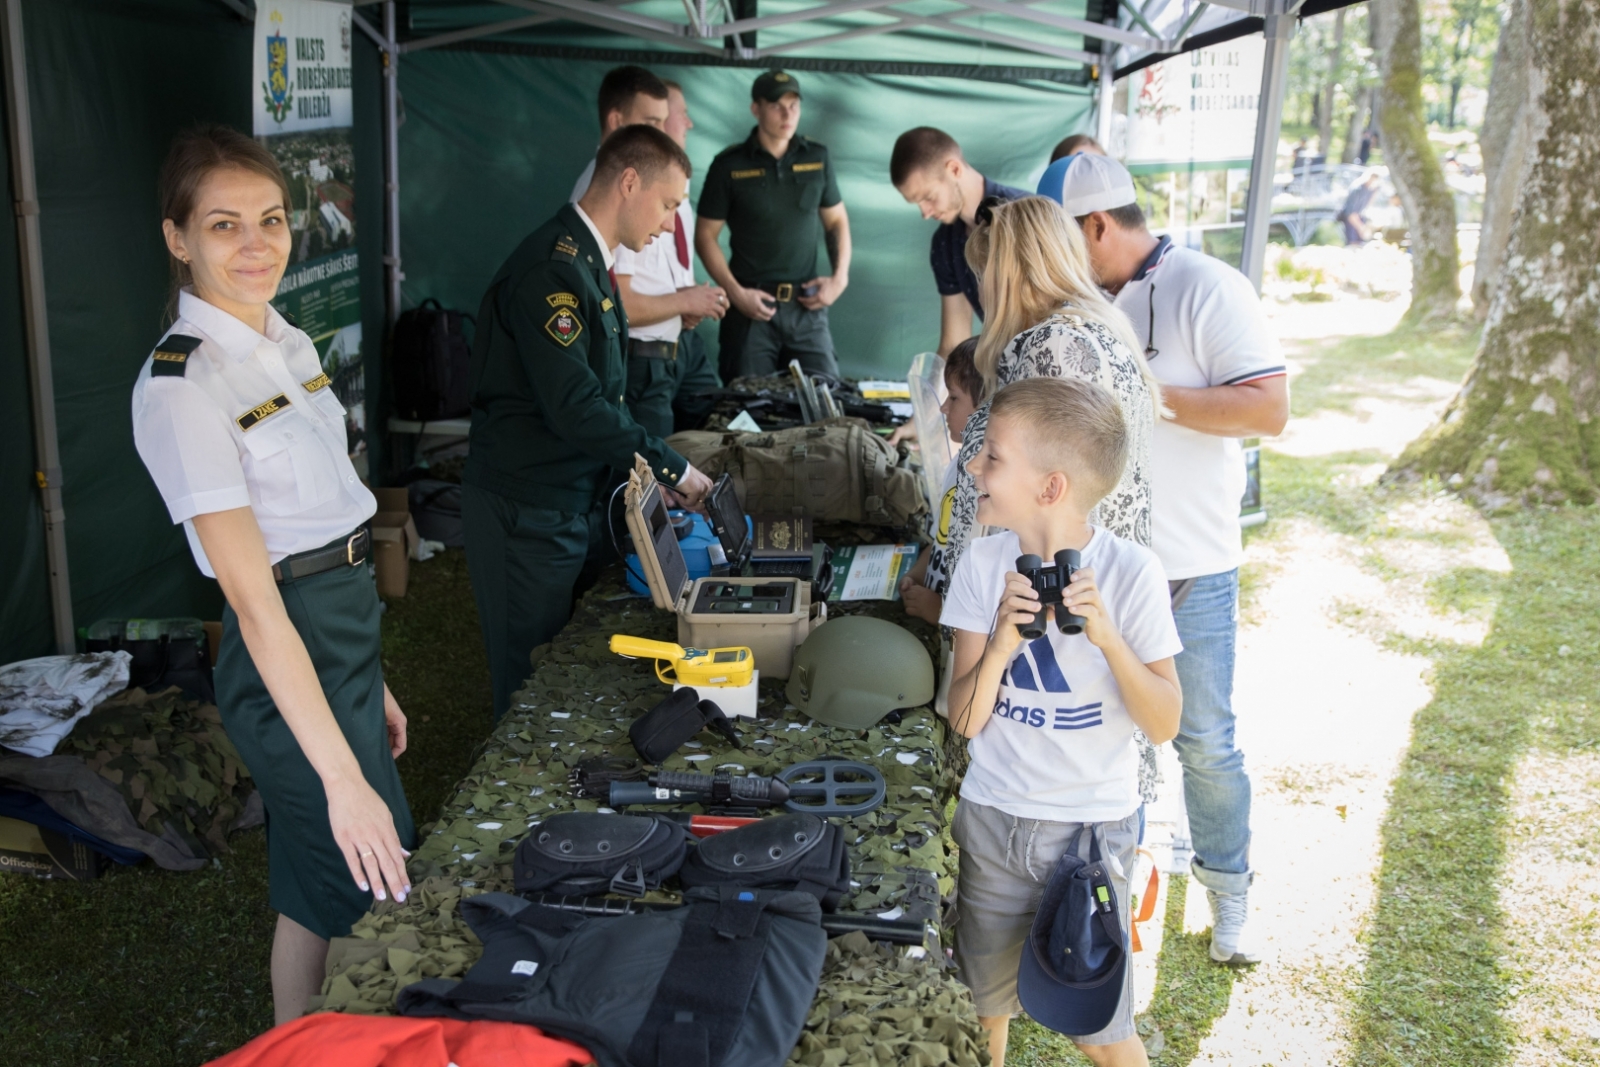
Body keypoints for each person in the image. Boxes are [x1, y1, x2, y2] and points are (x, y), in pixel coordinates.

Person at [131, 125, 415, 1023]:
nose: (256, 244)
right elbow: (257, 602)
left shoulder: (285, 338)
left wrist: (371, 677)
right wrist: (342, 777)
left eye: (271, 219)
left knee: (309, 888)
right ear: (178, 239)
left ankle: (291, 1047)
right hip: (285, 649)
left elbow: (326, 518)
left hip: (339, 637)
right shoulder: (183, 384)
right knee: (377, 887)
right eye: (223, 225)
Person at [1040, 150, 1289, 964]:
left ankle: (1231, 897)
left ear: (1099, 225)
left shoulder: (1209, 289)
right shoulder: (1079, 305)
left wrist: (1152, 399)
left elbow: (1270, 408)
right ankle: (1117, 899)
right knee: (1119, 740)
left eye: (1062, 236)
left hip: (1196, 561)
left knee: (1206, 739)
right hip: (1109, 565)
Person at [943, 376, 1183, 1067]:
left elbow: (1164, 721)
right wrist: (998, 644)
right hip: (993, 822)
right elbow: (963, 719)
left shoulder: (1132, 573)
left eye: (992, 457)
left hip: (1089, 835)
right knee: (983, 1012)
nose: (973, 467)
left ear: (1050, 487)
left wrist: (1108, 638)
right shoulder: (982, 564)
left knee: (1101, 1030)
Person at [463, 125, 715, 721]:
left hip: (559, 500)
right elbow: (576, 404)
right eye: (669, 205)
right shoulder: (553, 270)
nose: (670, 224)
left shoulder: (587, 262)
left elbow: (607, 395)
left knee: (552, 670)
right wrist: (670, 464)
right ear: (630, 182)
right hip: (524, 504)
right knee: (526, 681)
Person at [696, 70, 851, 381]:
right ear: (756, 109)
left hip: (807, 308)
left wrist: (839, 278)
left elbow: (836, 221)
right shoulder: (728, 165)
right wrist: (736, 293)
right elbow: (705, 236)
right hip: (751, 309)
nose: (787, 113)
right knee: (748, 416)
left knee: (828, 407)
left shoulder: (817, 157)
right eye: (777, 105)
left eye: (794, 104)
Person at [890, 127, 1029, 357]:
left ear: (954, 169)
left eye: (928, 197)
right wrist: (930, 391)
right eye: (917, 203)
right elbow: (953, 343)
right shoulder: (944, 244)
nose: (925, 213)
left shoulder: (1026, 216)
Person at [899, 338, 984, 625]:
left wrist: (939, 610)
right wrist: (914, 576)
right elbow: (940, 540)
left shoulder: (988, 489)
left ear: (985, 406)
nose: (943, 408)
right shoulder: (958, 465)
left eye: (954, 398)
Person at [567, 65, 670, 203]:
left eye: (664, 122)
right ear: (616, 121)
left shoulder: (624, 178)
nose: (663, 133)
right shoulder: (597, 188)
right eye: (652, 123)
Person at [1338, 171, 1382, 246]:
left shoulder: (1371, 190)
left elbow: (1368, 206)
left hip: (1359, 217)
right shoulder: (1357, 189)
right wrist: (1361, 228)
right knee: (1353, 243)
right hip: (1351, 218)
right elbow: (1351, 214)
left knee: (1361, 242)